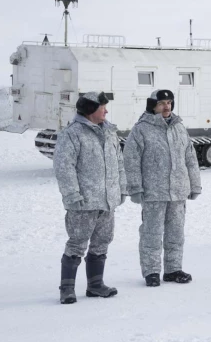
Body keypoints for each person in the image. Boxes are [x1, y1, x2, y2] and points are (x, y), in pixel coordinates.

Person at [53, 91, 127, 304]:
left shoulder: (110, 132)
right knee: (77, 244)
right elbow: (64, 167)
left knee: (102, 243)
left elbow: (118, 163)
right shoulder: (72, 134)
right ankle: (66, 289)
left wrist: (121, 189)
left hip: (107, 201)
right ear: (89, 110)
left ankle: (95, 285)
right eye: (102, 107)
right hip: (83, 202)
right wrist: (71, 194)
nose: (106, 110)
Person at [124, 89, 202, 287]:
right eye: (161, 103)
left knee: (176, 233)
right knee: (151, 233)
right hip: (153, 192)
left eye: (169, 102)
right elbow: (131, 160)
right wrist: (135, 188)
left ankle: (173, 269)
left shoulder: (179, 127)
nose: (166, 106)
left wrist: (194, 184)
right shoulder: (141, 129)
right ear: (153, 106)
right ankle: (151, 271)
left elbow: (190, 158)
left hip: (178, 191)